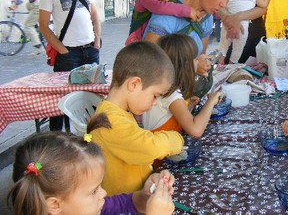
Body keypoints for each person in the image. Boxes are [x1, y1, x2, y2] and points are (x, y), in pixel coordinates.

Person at [89, 41, 184, 196]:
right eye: (155, 96)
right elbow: (150, 147)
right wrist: (176, 139)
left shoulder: (118, 113)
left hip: (134, 197)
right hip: (121, 207)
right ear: (134, 84)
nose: (154, 103)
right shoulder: (110, 121)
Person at [7, 131, 175, 215]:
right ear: (54, 205)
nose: (104, 192)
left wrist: (144, 197)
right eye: (93, 190)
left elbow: (118, 203)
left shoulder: (85, 208)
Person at [39, 0, 102, 131]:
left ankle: (92, 133)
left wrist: (97, 41)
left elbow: (95, 15)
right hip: (68, 53)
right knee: (61, 96)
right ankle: (56, 138)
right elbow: (43, 25)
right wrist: (61, 50)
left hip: (90, 50)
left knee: (93, 94)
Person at [144, 0, 236, 76]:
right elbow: (149, 62)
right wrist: (193, 66)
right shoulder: (166, 14)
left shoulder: (207, 17)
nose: (224, 4)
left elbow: (200, 55)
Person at [143, 33, 222, 137]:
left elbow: (173, 118)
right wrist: (211, 101)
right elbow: (196, 131)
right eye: (195, 59)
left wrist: (188, 107)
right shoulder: (170, 92)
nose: (197, 62)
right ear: (185, 64)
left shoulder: (163, 86)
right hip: (162, 148)